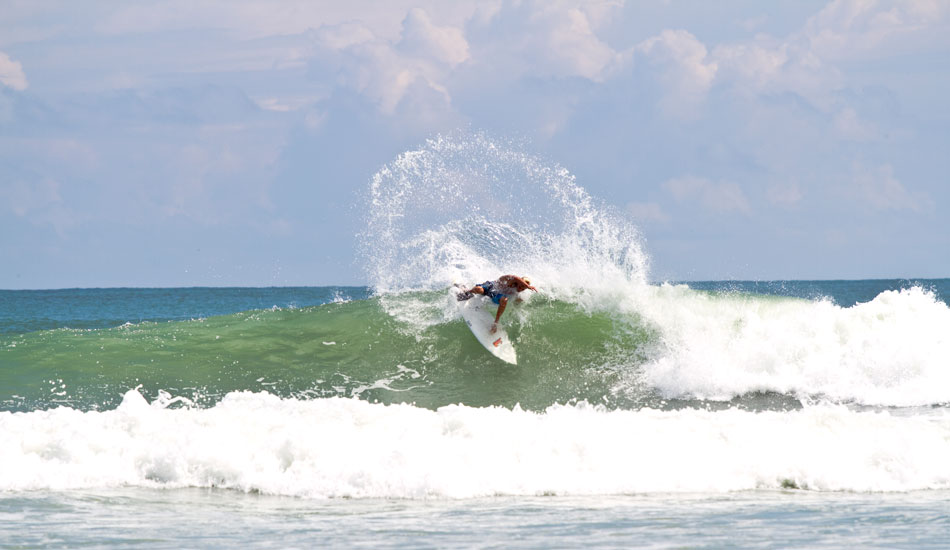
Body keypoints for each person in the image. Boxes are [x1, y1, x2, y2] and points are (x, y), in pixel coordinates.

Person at [457, 275, 537, 333]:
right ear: (519, 282)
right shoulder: (509, 280)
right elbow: (515, 277)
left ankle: (495, 323)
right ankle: (466, 292)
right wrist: (528, 286)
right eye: (521, 285)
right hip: (490, 287)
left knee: (504, 300)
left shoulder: (517, 294)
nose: (521, 288)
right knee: (479, 289)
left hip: (496, 295)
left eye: (523, 288)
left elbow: (516, 305)